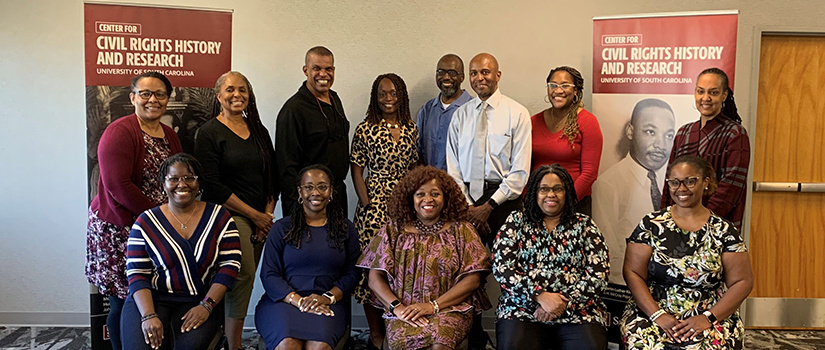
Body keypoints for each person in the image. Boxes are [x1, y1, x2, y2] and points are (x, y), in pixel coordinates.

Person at [86, 71, 182, 350]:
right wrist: (160, 219)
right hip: (119, 229)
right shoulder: (120, 131)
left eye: (160, 94)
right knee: (123, 298)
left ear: (167, 98)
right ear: (133, 98)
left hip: (155, 226)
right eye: (145, 93)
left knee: (146, 293)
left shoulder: (170, 136)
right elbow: (119, 187)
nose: (153, 99)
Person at [621, 155, 753, 349]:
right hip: (653, 310)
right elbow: (632, 272)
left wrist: (708, 318)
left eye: (690, 181)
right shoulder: (651, 224)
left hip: (708, 314)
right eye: (674, 182)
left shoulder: (724, 230)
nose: (681, 189)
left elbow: (742, 281)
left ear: (705, 183)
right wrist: (658, 315)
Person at [358, 166, 492, 350]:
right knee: (402, 344)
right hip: (405, 311)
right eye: (420, 194)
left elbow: (473, 280)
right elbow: (374, 279)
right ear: (410, 198)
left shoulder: (462, 230)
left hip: (449, 310)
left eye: (435, 194)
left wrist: (433, 306)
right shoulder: (393, 230)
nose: (427, 199)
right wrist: (397, 308)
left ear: (446, 198)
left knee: (439, 345)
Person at [121, 153, 241, 350]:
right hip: (151, 299)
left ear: (199, 182)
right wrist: (149, 315)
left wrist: (207, 306)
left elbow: (229, 267)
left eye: (189, 178)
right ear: (163, 183)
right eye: (173, 178)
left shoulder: (220, 217)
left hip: (198, 301)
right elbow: (136, 273)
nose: (182, 184)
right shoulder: (145, 222)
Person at [193, 71, 277, 350]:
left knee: (242, 278)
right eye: (230, 89)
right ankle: (234, 344)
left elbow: (272, 177)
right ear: (218, 96)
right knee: (242, 275)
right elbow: (212, 186)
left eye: (242, 89)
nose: (237, 94)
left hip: (261, 217)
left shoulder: (259, 130)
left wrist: (267, 214)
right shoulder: (208, 133)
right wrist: (255, 217)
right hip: (229, 217)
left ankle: (226, 337)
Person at [493, 164, 610, 350]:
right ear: (533, 192)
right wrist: (539, 296)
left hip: (578, 310)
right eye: (544, 189)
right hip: (522, 309)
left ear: (567, 192)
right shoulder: (516, 222)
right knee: (514, 346)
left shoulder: (585, 225)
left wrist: (562, 303)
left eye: (558, 189)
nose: (551, 194)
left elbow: (599, 276)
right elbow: (502, 269)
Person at [255, 164, 360, 350]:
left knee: (318, 346)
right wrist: (300, 302)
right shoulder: (281, 228)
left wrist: (327, 298)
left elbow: (352, 274)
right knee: (288, 345)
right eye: (309, 187)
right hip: (283, 302)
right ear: (299, 192)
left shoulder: (346, 228)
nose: (316, 192)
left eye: (322, 186)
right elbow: (269, 274)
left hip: (328, 303)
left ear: (331, 192)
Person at [350, 73, 420, 349]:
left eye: (393, 93)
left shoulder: (411, 128)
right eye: (382, 93)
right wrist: (367, 203)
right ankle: (375, 333)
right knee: (373, 268)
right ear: (375, 97)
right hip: (375, 204)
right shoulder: (365, 128)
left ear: (401, 96)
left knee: (399, 268)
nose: (388, 99)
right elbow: (356, 169)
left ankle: (397, 326)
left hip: (404, 204)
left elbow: (415, 167)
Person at [446, 52, 532, 243]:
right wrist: (469, 208)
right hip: (466, 202)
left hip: (502, 202)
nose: (479, 78)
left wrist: (488, 207)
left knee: (506, 267)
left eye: (485, 72)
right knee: (467, 268)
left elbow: (520, 171)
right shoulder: (460, 115)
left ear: (498, 75)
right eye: (474, 73)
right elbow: (453, 168)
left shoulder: (517, 113)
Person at [592, 98, 676, 284]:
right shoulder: (608, 185)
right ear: (631, 131)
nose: (660, 145)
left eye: (668, 135)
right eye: (650, 132)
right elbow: (609, 254)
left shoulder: (676, 184)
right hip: (629, 286)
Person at [662, 68, 750, 231]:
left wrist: (700, 221)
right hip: (678, 225)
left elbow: (730, 188)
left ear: (724, 95)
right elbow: (670, 183)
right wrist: (667, 219)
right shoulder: (683, 133)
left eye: (713, 92)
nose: (705, 98)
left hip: (717, 226)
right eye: (700, 91)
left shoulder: (735, 134)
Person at [276, 46, 351, 216]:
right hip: (309, 202)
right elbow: (286, 168)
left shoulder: (334, 98)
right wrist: (298, 209)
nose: (323, 74)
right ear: (306, 70)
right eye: (316, 68)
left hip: (337, 196)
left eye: (328, 69)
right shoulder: (293, 110)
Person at [531, 66, 603, 216]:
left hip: (574, 204)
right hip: (539, 203)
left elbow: (590, 173)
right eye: (553, 85)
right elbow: (524, 166)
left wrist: (565, 203)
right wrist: (530, 199)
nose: (558, 90)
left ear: (576, 91)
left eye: (565, 86)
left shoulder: (587, 122)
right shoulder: (533, 121)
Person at [417, 54, 473, 170]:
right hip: (431, 183)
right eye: (441, 72)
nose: (446, 77)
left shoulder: (474, 110)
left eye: (452, 73)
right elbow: (417, 151)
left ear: (462, 77)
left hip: (461, 186)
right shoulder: (426, 110)